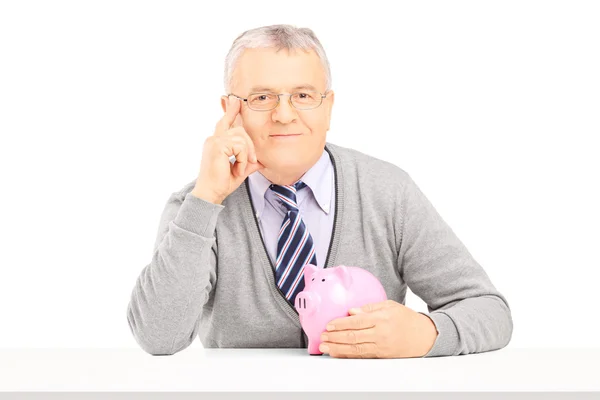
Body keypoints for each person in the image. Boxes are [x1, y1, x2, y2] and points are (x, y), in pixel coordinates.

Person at [126, 24, 513, 358]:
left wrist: (427, 334)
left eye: (303, 95)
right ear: (231, 109)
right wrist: (206, 199)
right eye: (261, 97)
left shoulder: (387, 192)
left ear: (328, 108)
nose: (284, 113)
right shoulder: (194, 206)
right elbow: (158, 337)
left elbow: (490, 311)